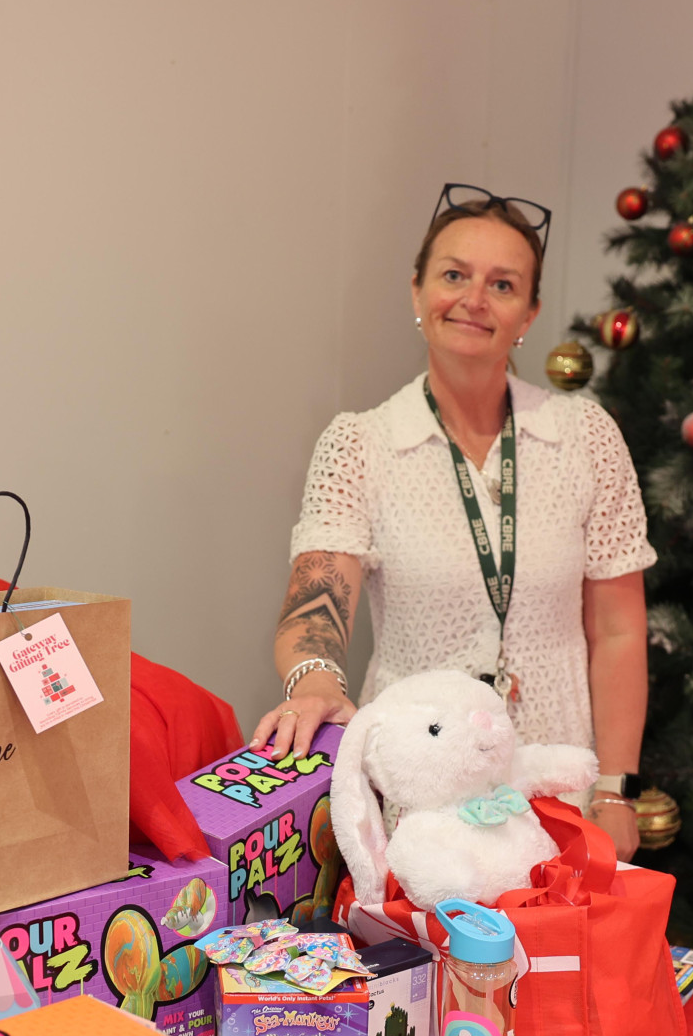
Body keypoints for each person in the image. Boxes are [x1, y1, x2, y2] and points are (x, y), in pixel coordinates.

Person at [251, 183, 656, 859]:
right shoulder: (361, 444)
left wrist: (615, 790)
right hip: (418, 807)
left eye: (502, 284)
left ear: (528, 313)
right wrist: (317, 680)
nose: (473, 299)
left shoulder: (584, 436)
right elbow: (317, 598)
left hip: (557, 796)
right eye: (453, 275)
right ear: (416, 292)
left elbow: (617, 630)